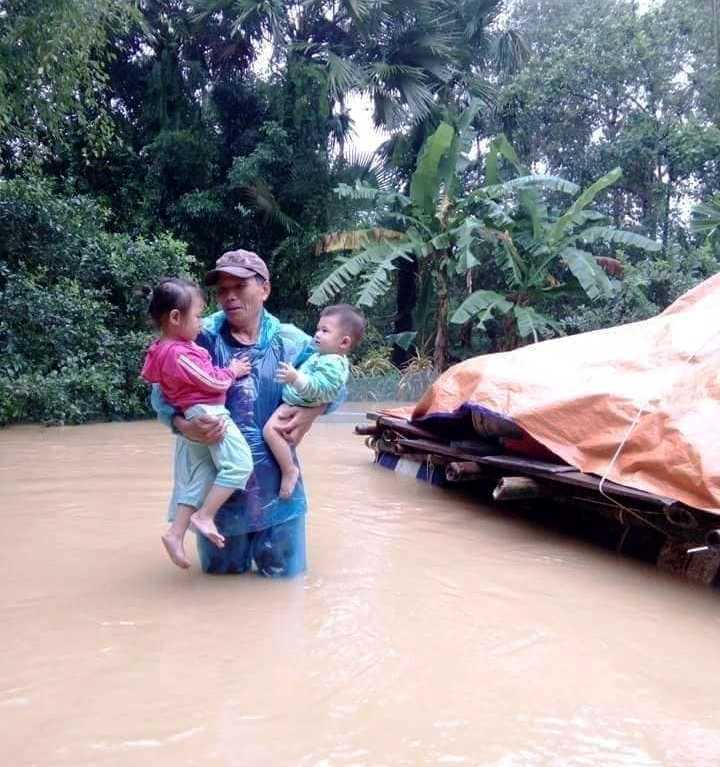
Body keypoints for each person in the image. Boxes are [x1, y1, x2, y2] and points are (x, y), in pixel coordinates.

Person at [151, 249, 343, 576]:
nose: (228, 297)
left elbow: (336, 381)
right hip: (221, 500)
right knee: (220, 592)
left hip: (280, 492)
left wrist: (317, 409)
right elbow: (160, 395)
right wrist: (182, 424)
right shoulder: (200, 336)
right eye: (222, 290)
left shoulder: (293, 341)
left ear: (264, 289)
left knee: (286, 589)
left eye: (239, 286)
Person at [141, 278, 254, 569]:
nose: (201, 323)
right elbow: (208, 380)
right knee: (240, 464)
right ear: (176, 317)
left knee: (204, 471)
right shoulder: (178, 351)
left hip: (199, 413)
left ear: (263, 289)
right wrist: (232, 371)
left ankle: (176, 533)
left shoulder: (170, 347)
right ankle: (204, 516)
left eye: (241, 287)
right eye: (198, 316)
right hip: (207, 413)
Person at [265, 304, 365, 499]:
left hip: (296, 405)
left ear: (344, 342)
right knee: (287, 439)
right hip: (297, 403)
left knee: (271, 431)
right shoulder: (321, 355)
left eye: (325, 331)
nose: (317, 334)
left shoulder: (331, 362)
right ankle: (287, 467)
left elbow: (323, 390)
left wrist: (296, 378)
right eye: (318, 329)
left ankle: (289, 470)